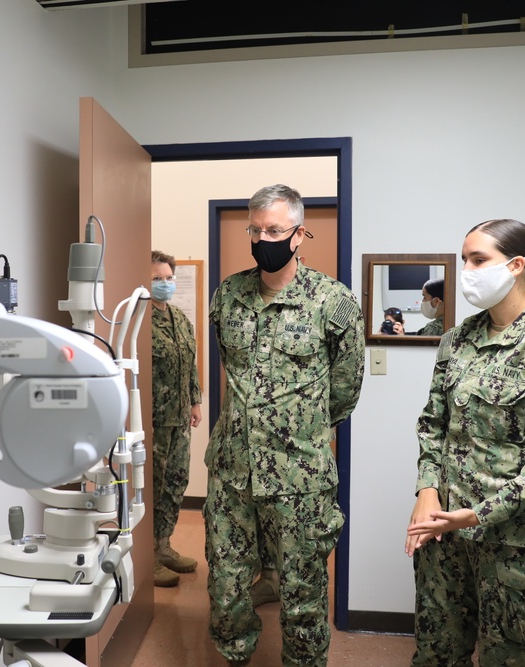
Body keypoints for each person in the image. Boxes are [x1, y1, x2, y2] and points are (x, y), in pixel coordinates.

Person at [404, 218, 525, 667]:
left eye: (478, 259)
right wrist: (427, 490)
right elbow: (433, 423)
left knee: (512, 660)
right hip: (444, 539)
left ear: (516, 265)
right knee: (436, 656)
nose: (466, 269)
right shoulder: (458, 339)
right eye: (464, 258)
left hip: (516, 549)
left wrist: (475, 515)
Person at [205, 184, 365, 667]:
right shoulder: (228, 295)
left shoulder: (332, 302)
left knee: (303, 599)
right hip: (233, 473)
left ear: (299, 235)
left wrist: (299, 433)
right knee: (226, 589)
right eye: (255, 229)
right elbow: (228, 369)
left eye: (274, 230)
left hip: (300, 479)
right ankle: (234, 657)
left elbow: (345, 391)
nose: (262, 239)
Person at [150, 250, 203, 588]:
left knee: (175, 484)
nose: (166, 284)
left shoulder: (180, 319)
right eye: (157, 279)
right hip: (152, 421)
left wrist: (196, 401)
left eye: (169, 278)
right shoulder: (137, 320)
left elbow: (191, 363)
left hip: (180, 418)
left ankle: (163, 546)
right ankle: (146, 558)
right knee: (151, 488)